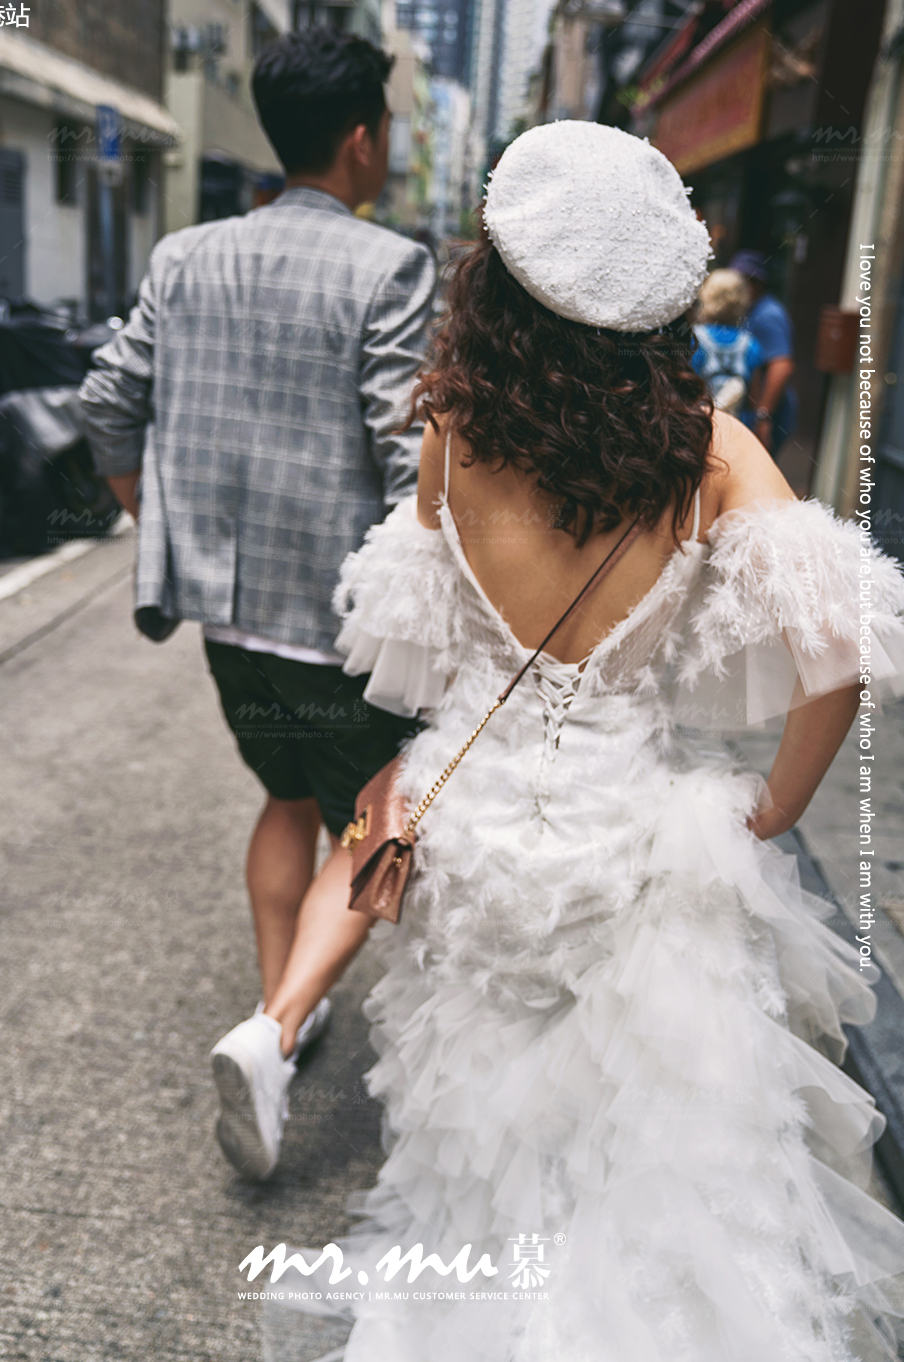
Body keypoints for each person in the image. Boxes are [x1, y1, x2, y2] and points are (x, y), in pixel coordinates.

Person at [255, 121, 904, 1358]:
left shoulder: (451, 434)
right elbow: (841, 638)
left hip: (482, 837)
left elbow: (426, 646)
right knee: (642, 1151)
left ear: (496, 288)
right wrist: (772, 803)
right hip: (636, 846)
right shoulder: (709, 453)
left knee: (483, 1132)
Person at [77, 27, 436, 1179]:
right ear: (361, 139)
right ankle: (277, 1033)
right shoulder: (390, 267)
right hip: (341, 627)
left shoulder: (185, 255)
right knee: (379, 828)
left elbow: (104, 402)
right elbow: (405, 462)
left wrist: (154, 521)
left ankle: (280, 1010)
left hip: (225, 619)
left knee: (286, 794)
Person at [729, 248, 797, 456]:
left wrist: (762, 416)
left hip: (768, 413)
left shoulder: (768, 315)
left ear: (756, 284)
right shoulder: (750, 310)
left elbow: (782, 366)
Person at [690, 267, 764, 416]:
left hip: (699, 420)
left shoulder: (694, 339)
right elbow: (753, 400)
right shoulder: (750, 344)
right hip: (736, 423)